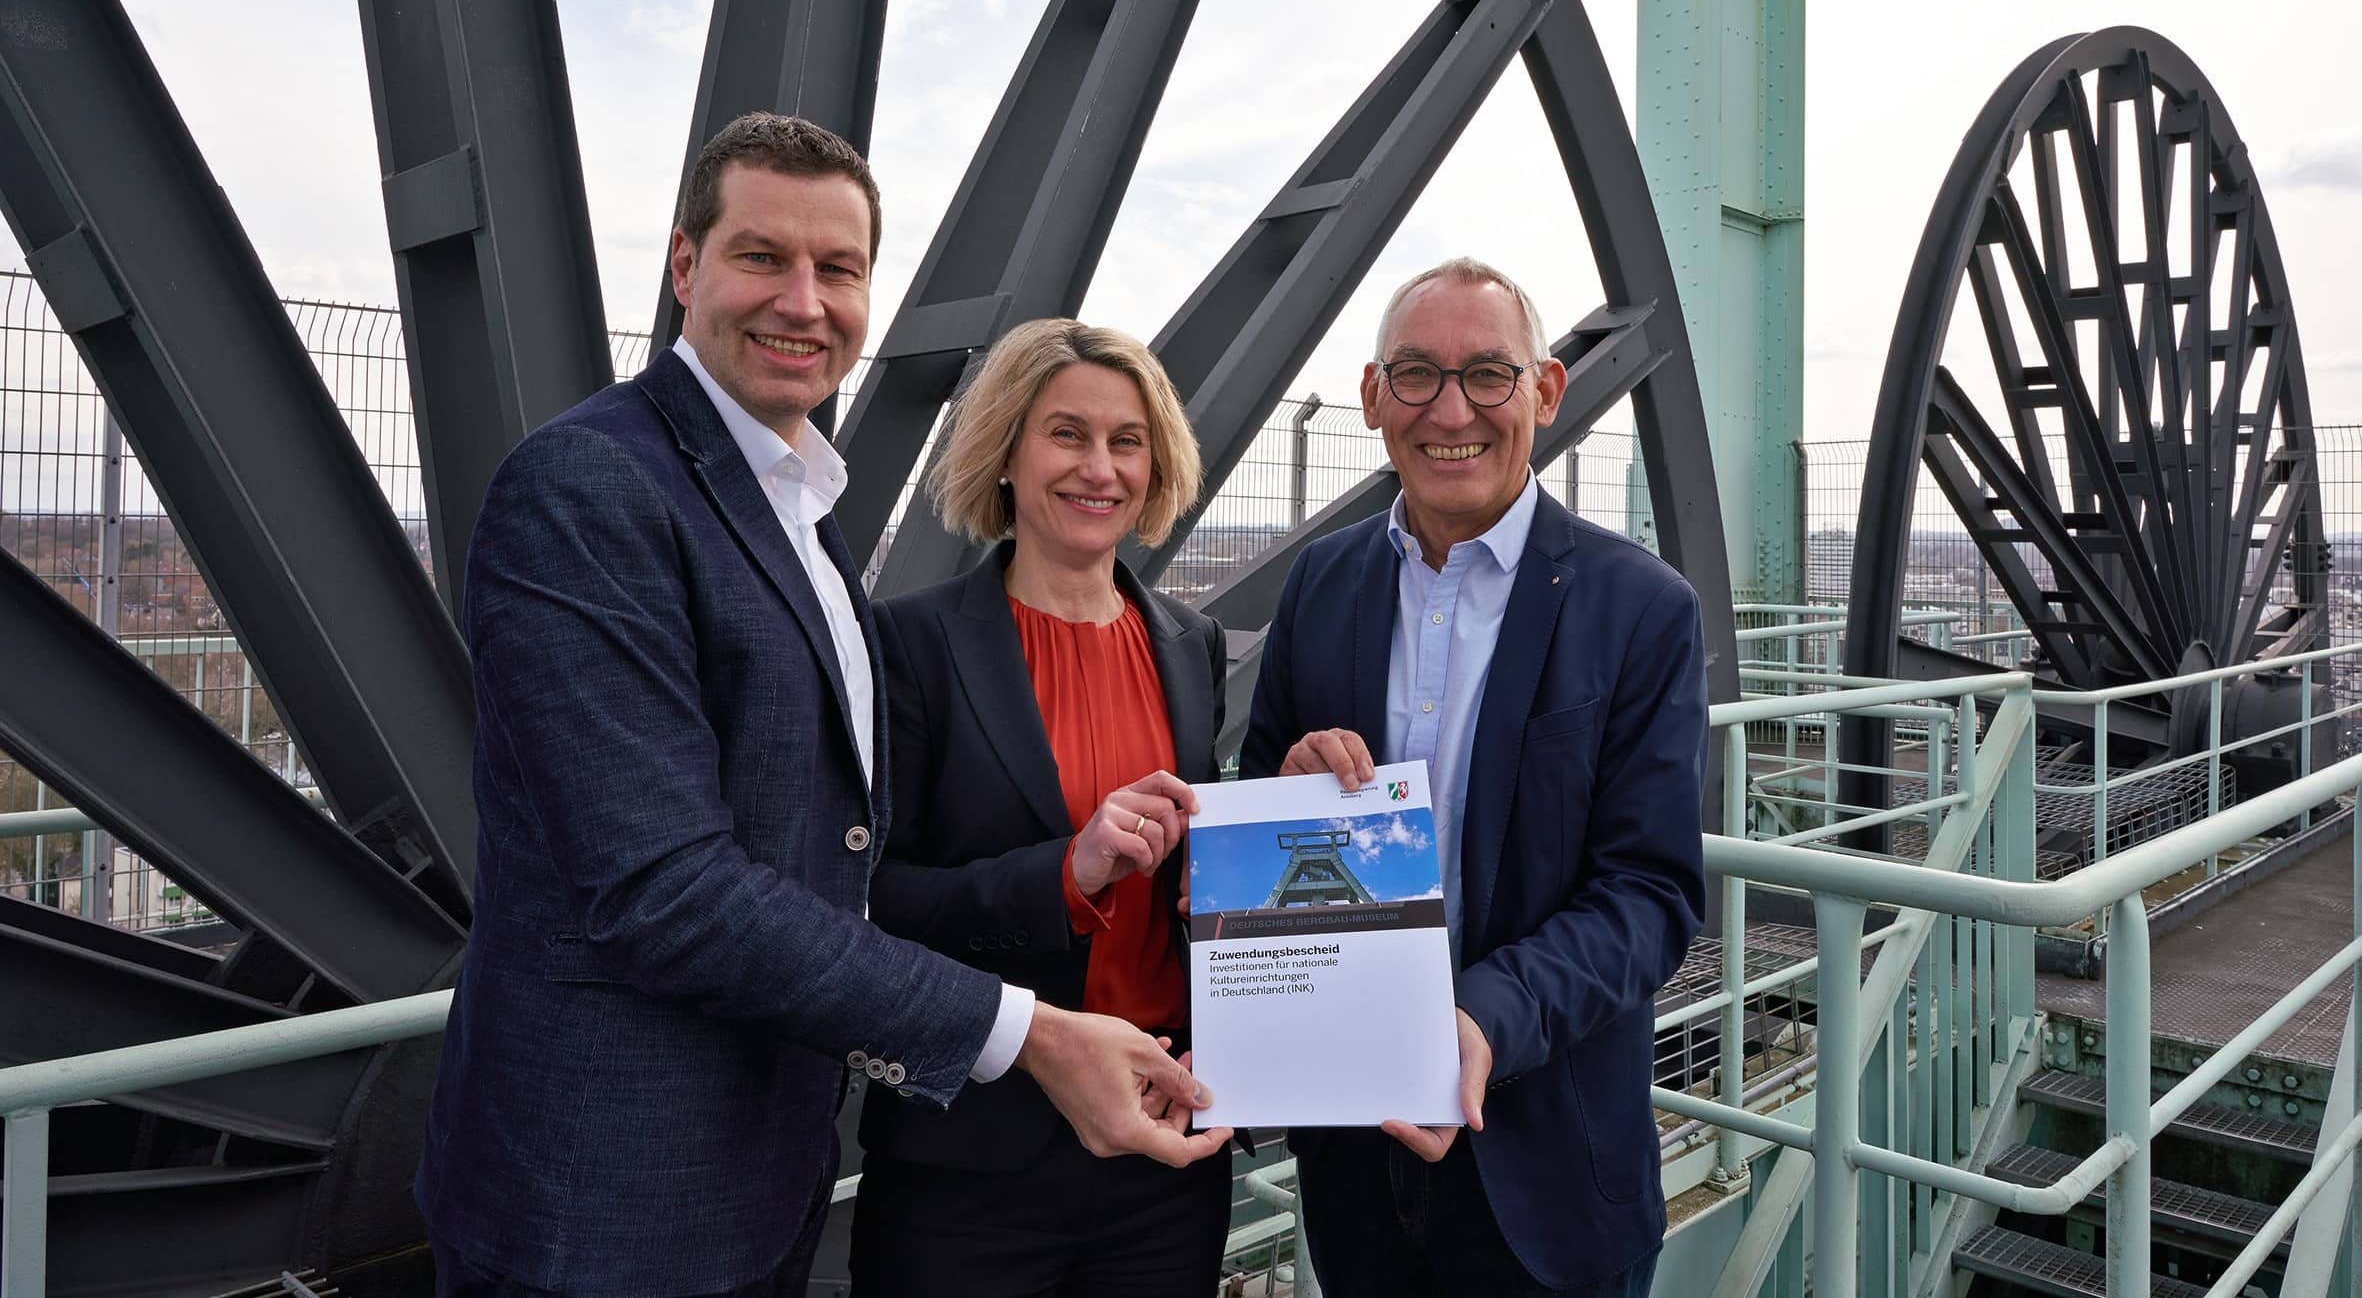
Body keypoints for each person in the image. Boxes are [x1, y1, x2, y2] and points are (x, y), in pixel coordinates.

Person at [414, 115, 1225, 1298]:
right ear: (685, 266)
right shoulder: (589, 485)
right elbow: (663, 889)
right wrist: (1032, 1021)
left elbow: (817, 857)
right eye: (762, 258)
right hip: (605, 1203)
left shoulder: (799, 515)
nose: (804, 301)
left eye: (838, 270)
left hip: (763, 1164)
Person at [1241, 257, 1707, 1297]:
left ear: (1544, 391)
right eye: (1415, 374)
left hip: (1544, 1165)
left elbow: (1651, 894)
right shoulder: (1322, 582)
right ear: (1371, 398)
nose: (1451, 408)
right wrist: (1288, 779)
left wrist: (1482, 1019)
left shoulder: (1641, 608)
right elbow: (1257, 791)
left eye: (1488, 374)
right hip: (1356, 1147)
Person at [849, 318, 1234, 1295]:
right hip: (973, 1160)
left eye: (1126, 439)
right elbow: (874, 901)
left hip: (1162, 1144)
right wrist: (1067, 874)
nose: (1098, 466)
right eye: (1067, 433)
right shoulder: (910, 646)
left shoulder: (1192, 646)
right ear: (1008, 452)